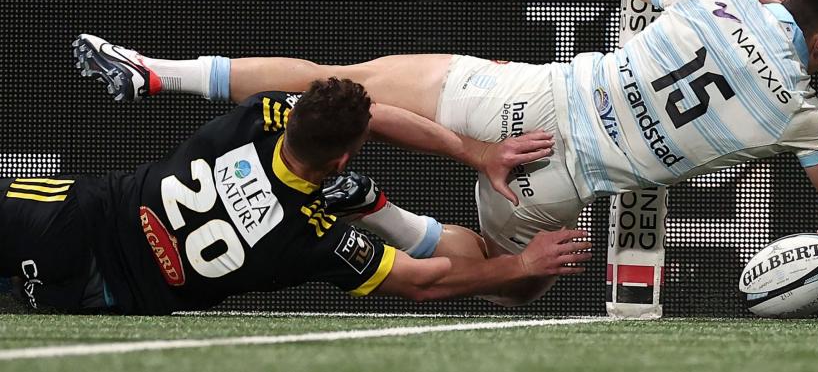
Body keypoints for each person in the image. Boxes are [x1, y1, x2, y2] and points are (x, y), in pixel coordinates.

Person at [75, 0, 818, 304]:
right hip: (554, 183)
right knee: (507, 277)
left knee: (342, 84)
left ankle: (156, 72)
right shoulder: (800, 111)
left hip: (521, 102)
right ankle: (381, 211)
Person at [1, 74, 589, 314]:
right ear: (341, 159)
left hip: (70, 215)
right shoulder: (312, 235)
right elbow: (421, 280)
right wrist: (522, 261)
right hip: (108, 292)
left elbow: (372, 113)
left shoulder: (261, 115)